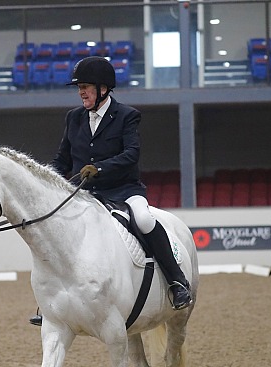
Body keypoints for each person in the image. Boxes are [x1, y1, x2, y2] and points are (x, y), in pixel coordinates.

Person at [29, 56, 192, 327]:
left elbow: (131, 154)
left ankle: (176, 281)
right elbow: (62, 160)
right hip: (85, 195)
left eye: (86, 86)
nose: (81, 92)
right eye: (79, 87)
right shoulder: (74, 118)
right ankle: (49, 303)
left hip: (124, 190)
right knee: (57, 231)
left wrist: (100, 169)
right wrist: (48, 180)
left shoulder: (127, 115)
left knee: (144, 219)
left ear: (103, 88)